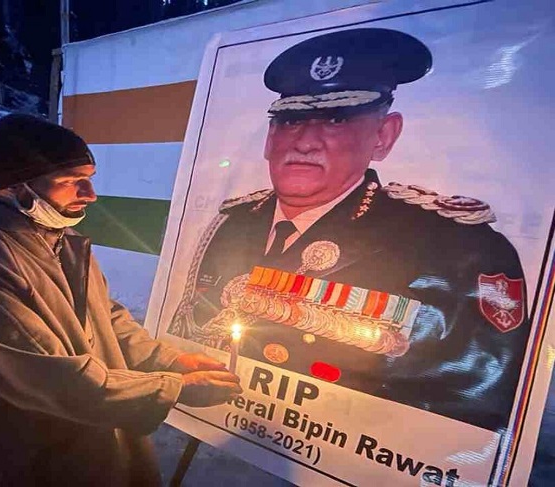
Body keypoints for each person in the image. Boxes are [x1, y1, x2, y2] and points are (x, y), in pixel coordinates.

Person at [168, 28, 530, 433]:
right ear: (270, 138)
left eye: (336, 120)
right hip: (229, 426)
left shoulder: (457, 248)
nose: (304, 143)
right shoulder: (232, 224)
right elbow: (195, 326)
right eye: (291, 120)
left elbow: (468, 412)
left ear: (383, 136)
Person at [0, 113, 242, 486]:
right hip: (20, 461)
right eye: (70, 182)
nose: (90, 194)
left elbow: (105, 318)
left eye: (89, 178)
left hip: (83, 445)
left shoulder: (56, 240)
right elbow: (48, 378)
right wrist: (175, 388)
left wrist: (168, 360)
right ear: (14, 187)